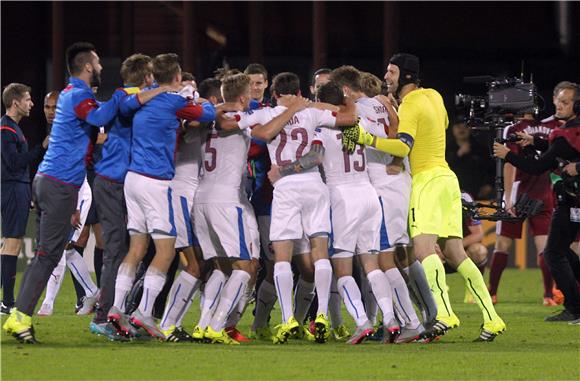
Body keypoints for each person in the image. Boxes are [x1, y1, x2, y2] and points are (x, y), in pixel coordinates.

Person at [342, 53, 506, 341]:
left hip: (426, 181)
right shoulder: (434, 96)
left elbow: (404, 147)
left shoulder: (410, 105)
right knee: (457, 253)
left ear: (405, 75)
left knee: (423, 250)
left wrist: (368, 139)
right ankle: (492, 319)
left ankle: (443, 313)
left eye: (391, 72)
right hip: (447, 177)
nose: (386, 77)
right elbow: (440, 124)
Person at [3, 42, 126, 343]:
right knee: (47, 255)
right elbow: (99, 120)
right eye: (97, 63)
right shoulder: (80, 95)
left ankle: (20, 314)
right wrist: (123, 95)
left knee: (49, 253)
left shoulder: (71, 94)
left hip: (54, 182)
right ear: (87, 67)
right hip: (59, 183)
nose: (100, 68)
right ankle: (19, 317)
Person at [235, 72, 357, 344]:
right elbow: (351, 118)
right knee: (320, 251)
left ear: (274, 93)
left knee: (281, 257)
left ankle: (288, 318)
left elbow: (247, 127)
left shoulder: (267, 113)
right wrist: (341, 100)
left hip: (286, 187)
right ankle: (322, 314)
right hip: (315, 184)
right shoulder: (312, 111)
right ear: (300, 90)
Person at [106, 53, 215, 339]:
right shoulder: (174, 101)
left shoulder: (140, 98)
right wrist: (193, 97)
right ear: (177, 77)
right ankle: (144, 311)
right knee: (166, 252)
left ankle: (117, 308)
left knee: (136, 248)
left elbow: (127, 105)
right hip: (157, 182)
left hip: (132, 179)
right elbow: (208, 115)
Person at [330, 65, 432, 338]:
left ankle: (415, 321)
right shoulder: (381, 103)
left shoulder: (352, 113)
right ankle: (409, 320)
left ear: (345, 90)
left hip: (381, 188)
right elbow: (398, 133)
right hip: (396, 183)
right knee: (394, 257)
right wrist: (398, 159)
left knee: (386, 260)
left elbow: (351, 142)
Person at [89, 53, 170, 340]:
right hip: (110, 182)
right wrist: (162, 89)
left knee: (134, 248)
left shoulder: (138, 97)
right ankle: (103, 316)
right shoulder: (124, 96)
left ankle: (123, 311)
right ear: (147, 78)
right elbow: (107, 111)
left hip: (126, 183)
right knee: (116, 250)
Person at [493, 82, 580, 323]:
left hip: (572, 201)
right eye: (557, 101)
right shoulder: (570, 130)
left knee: (553, 253)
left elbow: (539, 166)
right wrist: (534, 142)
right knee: (559, 250)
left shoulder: (567, 133)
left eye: (565, 102)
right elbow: (558, 150)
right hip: (571, 200)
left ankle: (574, 307)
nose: (558, 106)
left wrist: (507, 154)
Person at [489, 111, 559, 306]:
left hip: (519, 191)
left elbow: (509, 164)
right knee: (544, 247)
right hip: (544, 191)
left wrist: (508, 197)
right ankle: (548, 295)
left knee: (502, 244)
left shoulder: (514, 129)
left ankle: (492, 293)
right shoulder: (550, 127)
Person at [1, 83, 47, 315]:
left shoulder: (13, 128)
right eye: (28, 99)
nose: (31, 103)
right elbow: (14, 163)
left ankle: (5, 300)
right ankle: (7, 302)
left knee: (12, 242)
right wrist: (40, 148)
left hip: (16, 188)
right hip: (11, 188)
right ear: (16, 102)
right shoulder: (6, 129)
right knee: (12, 242)